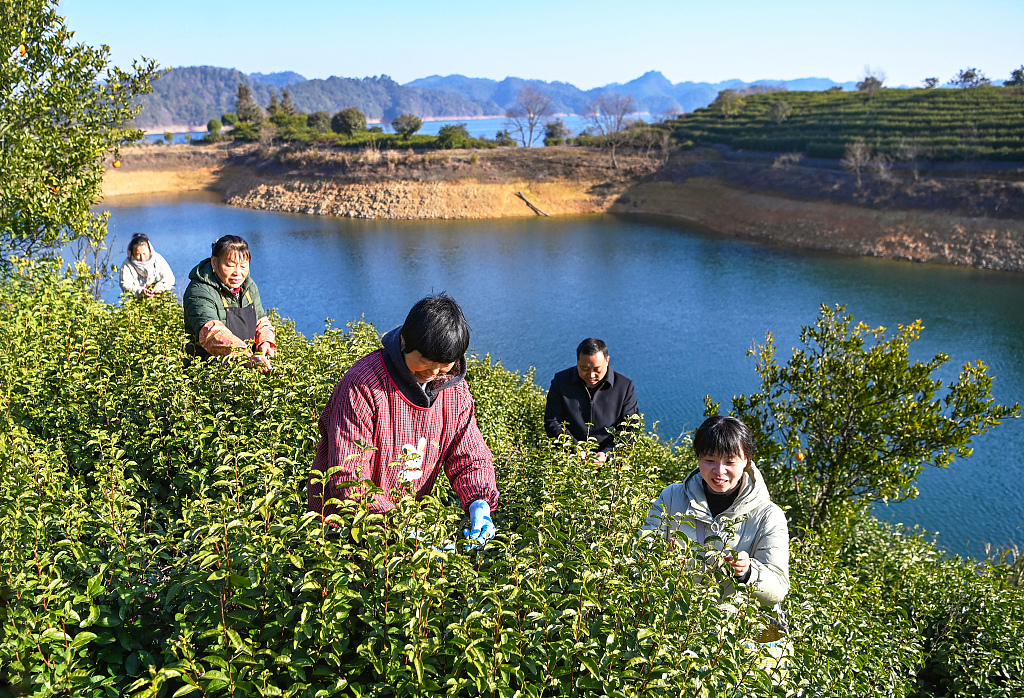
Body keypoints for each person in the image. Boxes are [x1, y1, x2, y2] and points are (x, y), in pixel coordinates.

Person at [307, 293, 499, 542]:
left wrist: (479, 502)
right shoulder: (363, 385)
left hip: (408, 526)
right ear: (405, 342)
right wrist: (399, 526)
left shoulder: (454, 391)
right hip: (344, 527)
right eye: (424, 361)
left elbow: (469, 453)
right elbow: (348, 477)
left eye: (444, 364)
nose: (433, 372)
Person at [641, 415, 789, 608]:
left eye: (730, 462)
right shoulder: (671, 497)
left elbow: (778, 589)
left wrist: (748, 572)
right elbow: (640, 556)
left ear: (745, 460)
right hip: (672, 618)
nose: (719, 471)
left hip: (729, 624)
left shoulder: (769, 516)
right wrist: (659, 556)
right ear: (698, 458)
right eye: (710, 460)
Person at [182, 235, 276, 373]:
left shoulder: (249, 287)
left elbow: (261, 321)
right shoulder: (198, 291)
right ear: (214, 263)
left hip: (246, 369)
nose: (237, 272)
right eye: (230, 265)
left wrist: (265, 342)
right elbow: (211, 333)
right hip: (209, 374)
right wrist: (246, 357)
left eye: (243, 266)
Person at [544, 338, 639, 462]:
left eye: (597, 369)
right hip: (569, 460)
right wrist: (573, 448)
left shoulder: (624, 386)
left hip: (611, 463)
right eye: (584, 369)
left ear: (607, 361)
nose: (591, 375)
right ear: (577, 362)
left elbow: (631, 429)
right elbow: (552, 421)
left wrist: (607, 454)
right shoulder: (561, 382)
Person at [119, 233, 175, 297]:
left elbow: (170, 278)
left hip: (160, 297)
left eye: (144, 253)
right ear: (132, 253)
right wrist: (140, 291)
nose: (142, 258)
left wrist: (160, 286)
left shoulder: (157, 259)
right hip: (138, 300)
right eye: (138, 254)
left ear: (149, 250)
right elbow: (125, 284)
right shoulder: (127, 264)